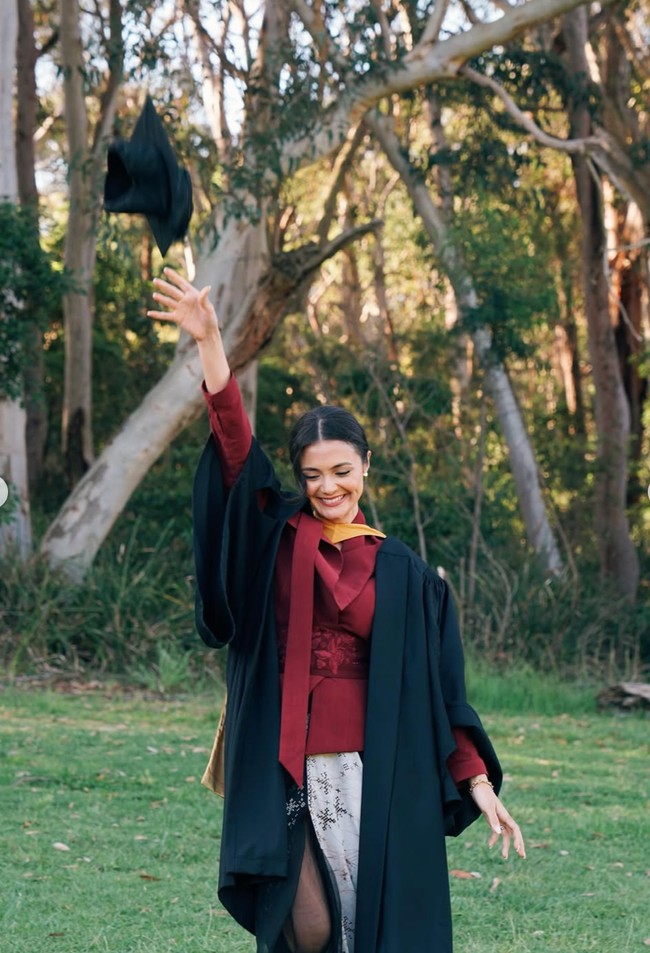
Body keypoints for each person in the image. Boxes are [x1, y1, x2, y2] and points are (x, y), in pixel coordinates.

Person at [148, 267, 526, 953]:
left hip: (380, 768)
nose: (328, 487)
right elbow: (235, 448)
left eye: (342, 471)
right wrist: (210, 347)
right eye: (313, 473)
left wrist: (475, 781)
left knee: (371, 928)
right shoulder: (279, 538)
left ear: (366, 466)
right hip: (288, 761)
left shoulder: (407, 573)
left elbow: (444, 693)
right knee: (311, 925)